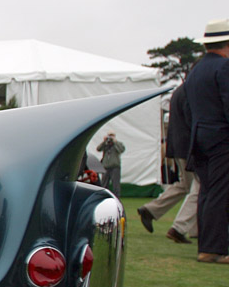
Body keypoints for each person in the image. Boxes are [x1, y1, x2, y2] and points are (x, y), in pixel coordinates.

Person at [182, 18, 229, 264]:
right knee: (221, 193)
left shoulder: (196, 70)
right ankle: (217, 248)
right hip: (221, 138)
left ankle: (207, 246)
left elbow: (188, 109)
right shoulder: (224, 67)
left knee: (208, 192)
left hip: (199, 137)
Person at [137, 85, 198, 244]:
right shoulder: (192, 91)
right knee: (199, 187)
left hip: (179, 146)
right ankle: (180, 227)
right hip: (189, 147)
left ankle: (151, 210)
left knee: (186, 185)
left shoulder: (179, 91)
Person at [96, 131, 125, 197]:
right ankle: (103, 197)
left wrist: (115, 142)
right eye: (109, 135)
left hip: (115, 167)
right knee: (104, 184)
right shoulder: (106, 144)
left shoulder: (118, 144)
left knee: (116, 184)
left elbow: (121, 150)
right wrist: (104, 142)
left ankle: (116, 197)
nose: (110, 137)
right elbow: (98, 149)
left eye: (112, 135)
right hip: (105, 167)